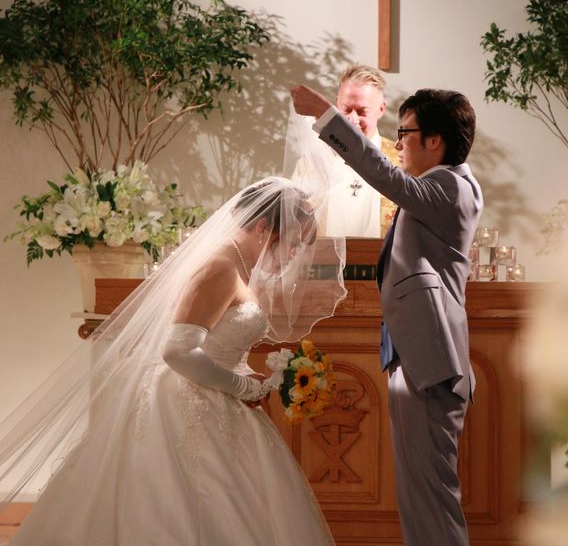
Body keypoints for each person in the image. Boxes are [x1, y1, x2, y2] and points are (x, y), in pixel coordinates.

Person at [0, 176, 346, 545]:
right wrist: (245, 387)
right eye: (293, 242)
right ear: (263, 228)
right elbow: (177, 351)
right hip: (185, 402)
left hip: (220, 398)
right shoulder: (221, 267)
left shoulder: (240, 266)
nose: (295, 253)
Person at [291, 84, 483, 546]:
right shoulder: (444, 185)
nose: (397, 144)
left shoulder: (449, 186)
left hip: (430, 365)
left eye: (405, 133)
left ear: (434, 140)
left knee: (431, 499)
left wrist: (327, 116)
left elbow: (385, 176)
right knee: (419, 498)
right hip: (418, 359)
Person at [293, 64, 400, 238]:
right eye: (346, 109)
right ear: (337, 104)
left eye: (362, 111)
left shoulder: (402, 161)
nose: (353, 119)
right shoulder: (311, 163)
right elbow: (294, 222)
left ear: (381, 109)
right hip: (324, 255)